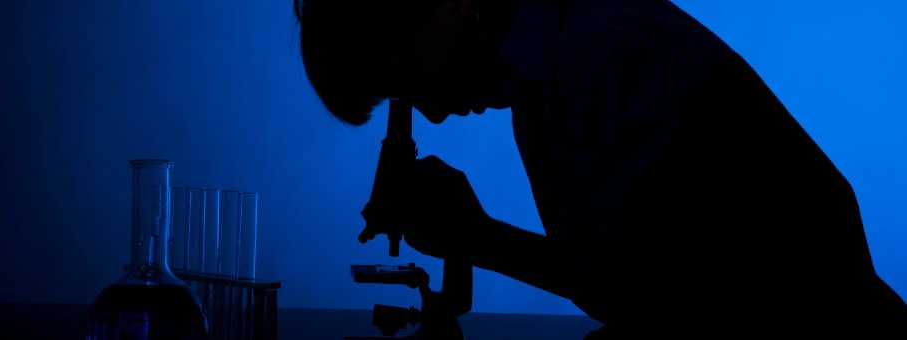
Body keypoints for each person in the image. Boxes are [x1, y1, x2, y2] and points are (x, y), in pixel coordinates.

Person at [293, 0, 907, 337]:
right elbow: (636, 287)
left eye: (405, 78)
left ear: (451, 3)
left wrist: (478, 239)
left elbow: (682, 313)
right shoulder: (544, 90)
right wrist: (476, 237)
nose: (425, 109)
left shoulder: (607, 53)